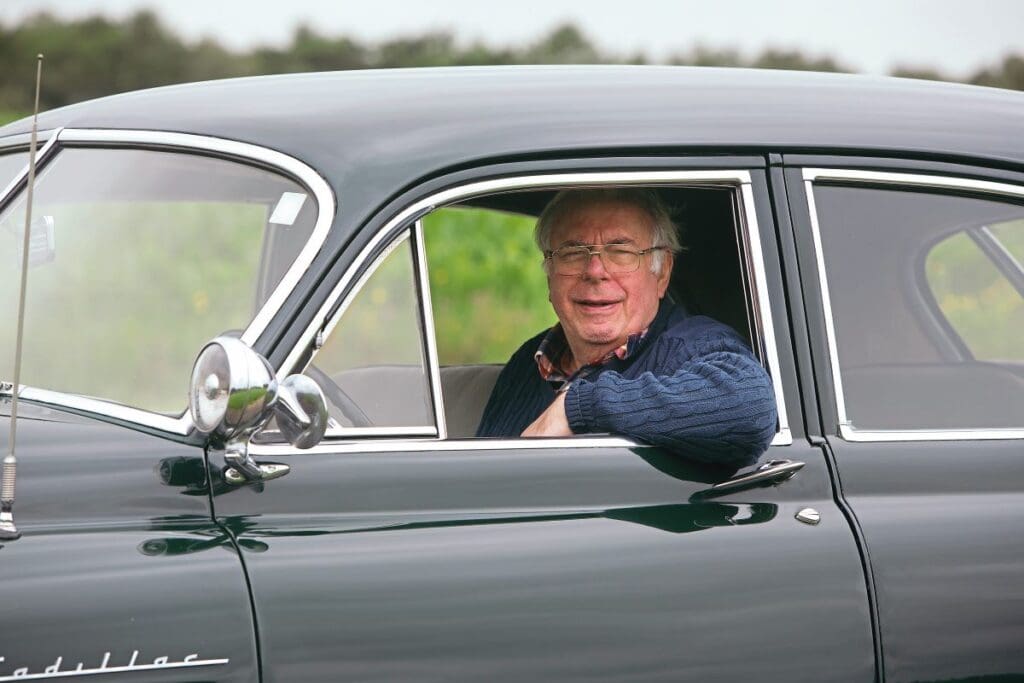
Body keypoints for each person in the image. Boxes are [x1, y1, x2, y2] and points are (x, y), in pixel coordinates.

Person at [475, 188, 778, 465]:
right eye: (573, 252)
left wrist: (577, 408)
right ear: (549, 273)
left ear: (662, 273)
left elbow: (750, 408)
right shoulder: (527, 363)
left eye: (621, 252)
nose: (595, 271)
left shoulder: (695, 346)